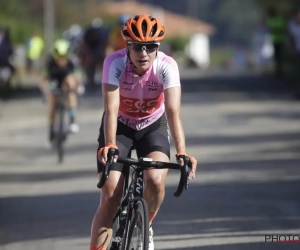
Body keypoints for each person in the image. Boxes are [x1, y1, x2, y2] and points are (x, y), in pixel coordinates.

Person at [90, 14, 197, 250]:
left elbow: (172, 112)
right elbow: (111, 108)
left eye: (151, 47)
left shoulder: (166, 66)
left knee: (156, 181)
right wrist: (110, 144)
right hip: (119, 126)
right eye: (138, 46)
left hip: (152, 126)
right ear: (127, 46)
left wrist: (181, 151)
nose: (144, 53)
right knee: (110, 197)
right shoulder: (114, 62)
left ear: (158, 47)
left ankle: (143, 223)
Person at [40, 39, 80, 144]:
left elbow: (77, 77)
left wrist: (77, 87)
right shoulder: (49, 62)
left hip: (66, 79)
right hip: (54, 79)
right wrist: (45, 90)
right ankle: (51, 128)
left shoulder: (72, 61)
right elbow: (44, 79)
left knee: (71, 88)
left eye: (64, 58)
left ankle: (72, 120)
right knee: (52, 103)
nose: (61, 61)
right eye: (58, 58)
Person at [265, 7, 287, 77]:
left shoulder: (273, 20)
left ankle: (280, 69)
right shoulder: (278, 20)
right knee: (278, 56)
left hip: (278, 40)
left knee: (278, 56)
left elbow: (270, 29)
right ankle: (279, 70)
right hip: (277, 40)